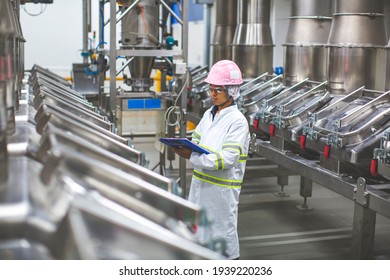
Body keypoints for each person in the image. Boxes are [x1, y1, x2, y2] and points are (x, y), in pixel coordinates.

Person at [172, 60, 250, 259]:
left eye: (219, 90)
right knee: (201, 239)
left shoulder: (238, 122)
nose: (213, 94)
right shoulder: (209, 114)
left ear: (232, 91)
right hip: (200, 186)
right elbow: (197, 140)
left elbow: (225, 160)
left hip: (221, 193)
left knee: (223, 241)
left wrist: (192, 155)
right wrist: (185, 145)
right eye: (211, 89)